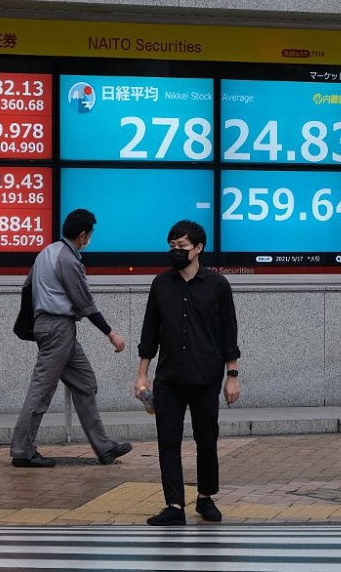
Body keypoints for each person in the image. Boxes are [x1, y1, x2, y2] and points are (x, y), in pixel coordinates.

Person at [136, 220, 241, 526]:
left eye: (182, 247)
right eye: (172, 246)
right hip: (168, 377)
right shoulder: (161, 284)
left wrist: (232, 374)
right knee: (168, 440)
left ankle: (206, 497)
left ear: (198, 249)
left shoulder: (218, 286)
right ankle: (174, 504)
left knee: (206, 439)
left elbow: (228, 332)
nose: (176, 252)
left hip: (205, 376)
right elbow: (149, 333)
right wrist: (142, 375)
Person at [10, 209, 131, 469]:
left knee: (85, 381)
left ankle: (104, 447)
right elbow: (85, 303)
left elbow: (27, 287)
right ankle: (22, 449)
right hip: (58, 329)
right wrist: (111, 333)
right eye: (90, 234)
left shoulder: (47, 252)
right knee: (41, 390)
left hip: (52, 328)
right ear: (82, 235)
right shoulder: (68, 260)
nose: (90, 238)